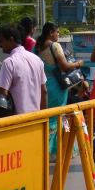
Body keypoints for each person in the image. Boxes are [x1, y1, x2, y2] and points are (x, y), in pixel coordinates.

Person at [37, 22, 83, 154]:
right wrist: (78, 63)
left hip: (44, 84)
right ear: (51, 32)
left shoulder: (37, 47)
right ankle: (64, 147)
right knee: (62, 116)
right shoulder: (55, 46)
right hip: (57, 86)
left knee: (50, 117)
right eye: (57, 32)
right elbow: (65, 66)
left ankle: (47, 148)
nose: (58, 35)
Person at [0, 24, 48, 114]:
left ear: (11, 39)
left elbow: (2, 94)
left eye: (1, 41)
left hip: (19, 121)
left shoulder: (9, 62)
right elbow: (44, 91)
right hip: (37, 119)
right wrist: (44, 117)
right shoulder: (37, 60)